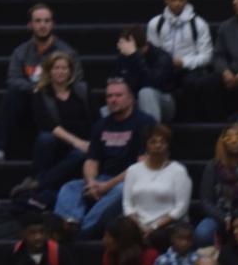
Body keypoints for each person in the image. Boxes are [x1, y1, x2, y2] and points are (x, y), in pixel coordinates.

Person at [54, 78, 156, 238]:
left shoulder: (144, 122)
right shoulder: (101, 125)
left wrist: (107, 186)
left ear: (130, 98)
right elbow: (91, 160)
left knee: (120, 190)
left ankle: (81, 231)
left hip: (130, 181)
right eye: (109, 96)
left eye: (118, 95)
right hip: (103, 179)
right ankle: (70, 222)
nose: (113, 100)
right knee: (70, 188)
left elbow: (140, 167)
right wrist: (91, 182)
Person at [0, 3, 84, 162]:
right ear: (30, 25)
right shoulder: (21, 51)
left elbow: (77, 79)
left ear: (52, 24)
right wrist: (37, 89)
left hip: (56, 99)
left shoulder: (67, 52)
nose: (42, 25)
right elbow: (13, 79)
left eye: (47, 21)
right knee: (11, 95)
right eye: (38, 21)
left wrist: (47, 89)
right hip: (31, 98)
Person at [19, 51, 92, 195]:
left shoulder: (83, 90)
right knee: (45, 139)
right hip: (58, 143)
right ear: (49, 71)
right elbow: (47, 125)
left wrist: (87, 142)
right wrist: (76, 142)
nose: (60, 72)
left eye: (64, 68)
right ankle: (41, 182)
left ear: (71, 71)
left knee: (80, 155)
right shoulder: (40, 93)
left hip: (82, 142)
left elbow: (95, 119)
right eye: (56, 68)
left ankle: (39, 183)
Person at [147, 0, 215, 121]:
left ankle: (191, 120)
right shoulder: (155, 24)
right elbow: (152, 52)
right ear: (166, 0)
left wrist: (184, 62)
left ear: (186, 0)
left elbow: (206, 55)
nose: (177, 3)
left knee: (192, 83)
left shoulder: (199, 24)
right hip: (165, 70)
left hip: (190, 71)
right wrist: (166, 63)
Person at [195, 122, 238, 246]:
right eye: (229, 138)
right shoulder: (213, 166)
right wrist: (224, 217)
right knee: (202, 233)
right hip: (220, 215)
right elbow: (206, 201)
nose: (233, 141)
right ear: (223, 142)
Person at [121, 124, 192, 244]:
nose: (158, 145)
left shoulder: (178, 171)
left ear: (168, 145)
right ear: (146, 145)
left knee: (156, 237)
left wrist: (154, 227)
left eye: (162, 142)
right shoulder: (133, 170)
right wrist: (139, 225)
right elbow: (127, 204)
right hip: (137, 223)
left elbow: (181, 207)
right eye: (153, 142)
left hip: (166, 226)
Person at [113, 24, 177, 123]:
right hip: (133, 101)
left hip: (162, 102)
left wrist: (135, 57)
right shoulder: (123, 57)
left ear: (144, 46)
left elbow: (153, 82)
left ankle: (151, 134)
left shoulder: (161, 57)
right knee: (106, 109)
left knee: (146, 93)